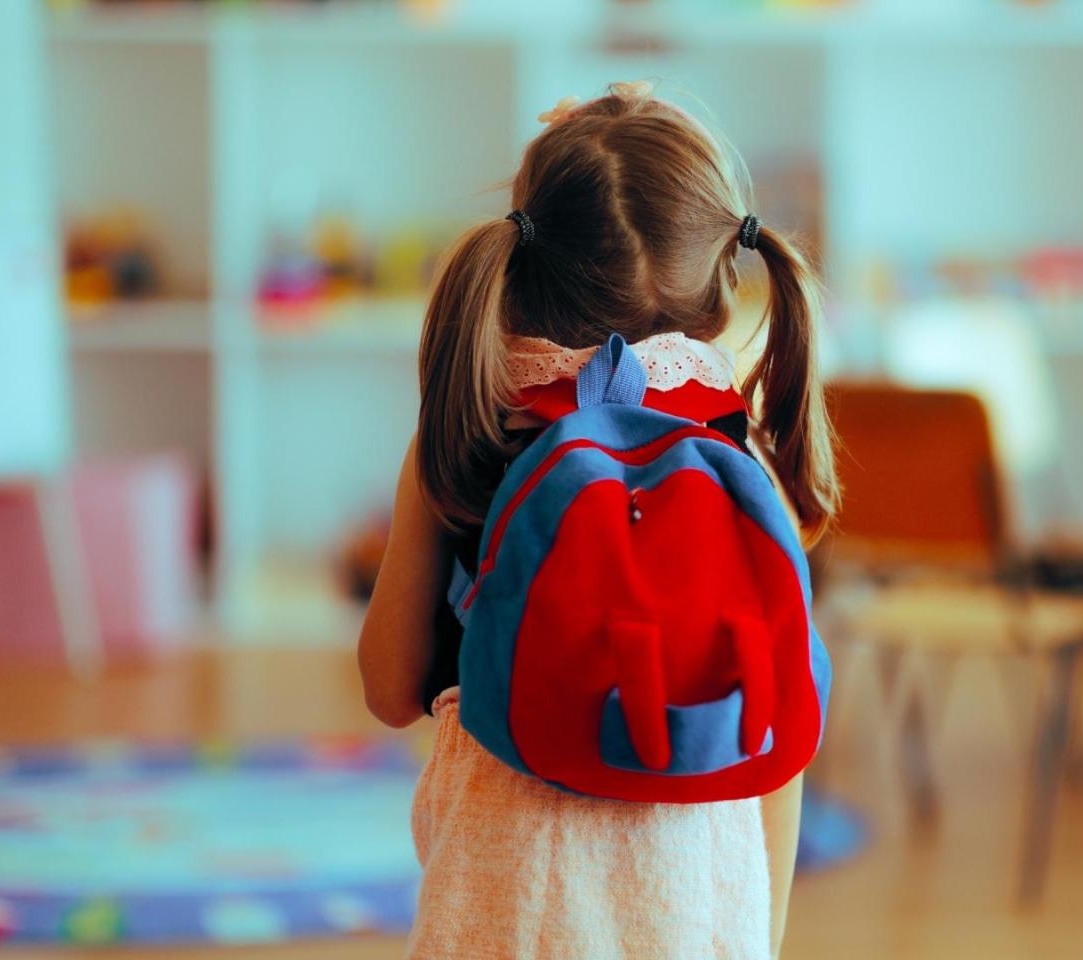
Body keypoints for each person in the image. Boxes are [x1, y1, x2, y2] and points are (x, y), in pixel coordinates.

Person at [357, 81, 839, 959]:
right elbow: (782, 743)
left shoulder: (468, 433)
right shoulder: (743, 463)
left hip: (508, 894)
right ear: (725, 278)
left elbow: (390, 690)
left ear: (525, 261)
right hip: (697, 896)